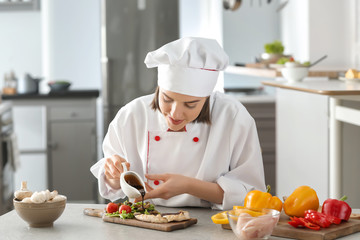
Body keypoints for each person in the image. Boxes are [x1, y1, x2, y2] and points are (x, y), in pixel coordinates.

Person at [90, 37, 266, 210]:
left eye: (190, 104)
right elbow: (112, 187)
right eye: (167, 98)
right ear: (158, 89)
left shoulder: (233, 117)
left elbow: (251, 194)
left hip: (211, 223)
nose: (175, 113)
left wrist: (189, 186)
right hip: (147, 217)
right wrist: (113, 173)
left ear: (206, 98)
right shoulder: (132, 115)